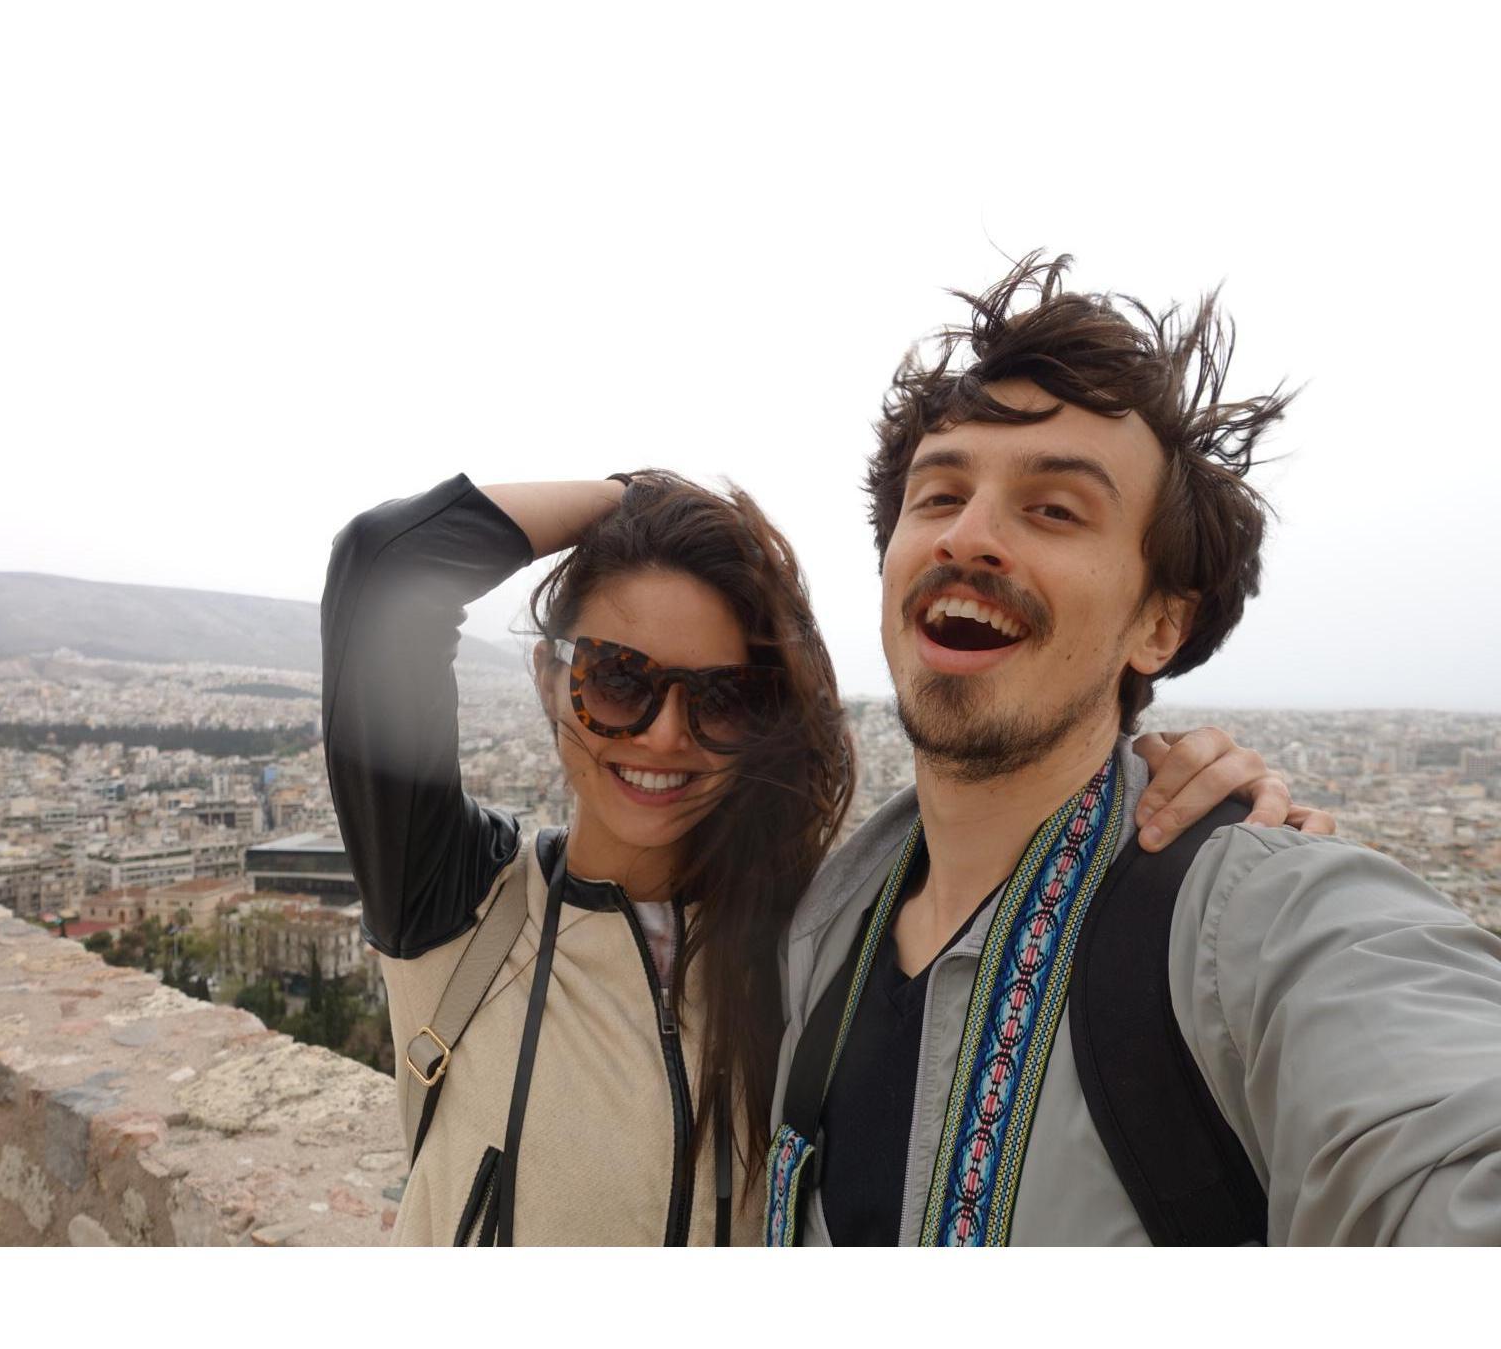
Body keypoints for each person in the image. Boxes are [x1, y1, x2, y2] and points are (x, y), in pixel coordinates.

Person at [323, 462, 1320, 1246]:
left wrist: (1179, 796)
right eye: (618, 680)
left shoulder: (827, 934)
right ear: (549, 679)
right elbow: (387, 569)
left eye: (723, 699)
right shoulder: (462, 905)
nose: (664, 736)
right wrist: (647, 500)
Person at [768, 253, 1501, 1247]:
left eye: (1053, 508)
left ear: (1158, 623)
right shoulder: (823, 927)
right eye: (936, 496)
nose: (968, 535)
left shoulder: (1248, 926)